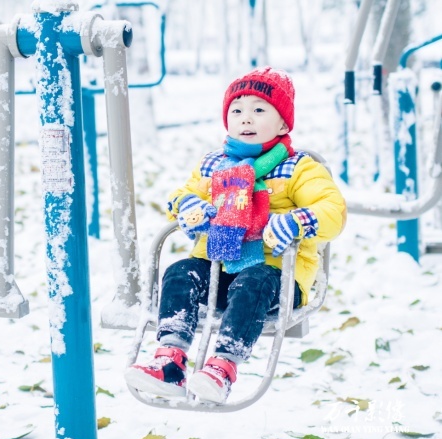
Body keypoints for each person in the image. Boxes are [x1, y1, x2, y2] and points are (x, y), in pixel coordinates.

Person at [124, 67, 347, 404]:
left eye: (259, 110)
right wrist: (189, 207)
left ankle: (223, 366)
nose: (246, 118)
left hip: (275, 278)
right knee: (179, 272)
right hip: (217, 273)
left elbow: (333, 210)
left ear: (284, 124)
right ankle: (170, 359)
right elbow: (180, 195)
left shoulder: (298, 168)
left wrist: (298, 221)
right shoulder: (214, 165)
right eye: (237, 110)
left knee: (254, 280)